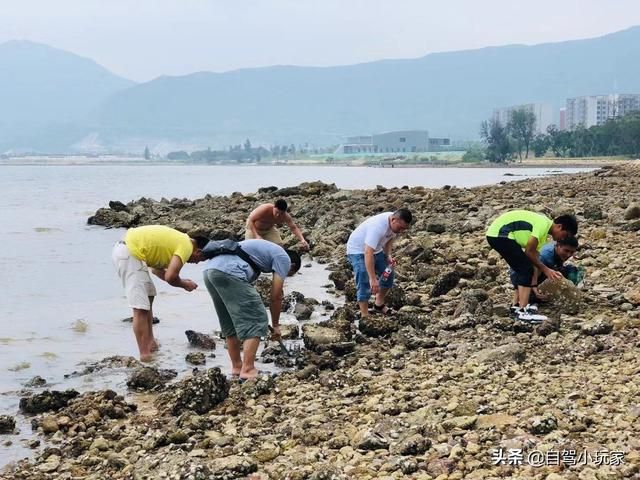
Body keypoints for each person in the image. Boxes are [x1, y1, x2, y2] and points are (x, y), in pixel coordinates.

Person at [202, 239, 301, 380]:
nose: (284, 275)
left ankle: (237, 367)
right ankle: (248, 369)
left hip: (210, 271)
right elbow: (276, 296)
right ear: (292, 265)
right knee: (257, 318)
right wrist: (276, 325)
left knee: (230, 321)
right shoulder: (284, 258)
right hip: (229, 271)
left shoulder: (267, 250)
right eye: (288, 274)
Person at [112, 225, 208, 362]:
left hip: (132, 252)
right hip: (129, 252)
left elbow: (157, 271)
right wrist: (183, 284)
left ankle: (151, 343)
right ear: (198, 251)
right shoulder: (186, 246)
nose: (197, 263)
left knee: (149, 297)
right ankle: (145, 355)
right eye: (200, 260)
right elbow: (171, 277)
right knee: (140, 308)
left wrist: (181, 281)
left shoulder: (180, 242)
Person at [486, 210, 578, 322]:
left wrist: (534, 285)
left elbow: (535, 261)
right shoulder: (543, 224)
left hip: (499, 235)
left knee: (525, 268)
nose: (564, 239)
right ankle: (522, 311)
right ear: (559, 226)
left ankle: (516, 306)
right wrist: (546, 270)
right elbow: (529, 252)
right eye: (566, 235)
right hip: (500, 233)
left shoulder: (543, 237)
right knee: (525, 269)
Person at [346, 209, 413, 318]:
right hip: (357, 250)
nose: (401, 231)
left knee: (388, 274)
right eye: (400, 228)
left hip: (376, 250)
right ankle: (365, 315)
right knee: (364, 277)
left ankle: (379, 305)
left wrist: (388, 256)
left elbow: (389, 239)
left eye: (404, 229)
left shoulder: (395, 226)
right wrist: (373, 279)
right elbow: (368, 252)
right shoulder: (377, 227)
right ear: (393, 220)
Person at [509, 236, 580, 306]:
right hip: (522, 276)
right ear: (558, 245)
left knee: (571, 270)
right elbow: (533, 268)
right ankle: (530, 295)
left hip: (538, 271)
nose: (568, 255)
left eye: (572, 252)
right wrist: (535, 288)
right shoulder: (545, 255)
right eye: (566, 251)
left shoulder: (557, 251)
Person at [245, 199, 309, 250]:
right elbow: (251, 220)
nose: (278, 215)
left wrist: (302, 240)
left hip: (269, 230)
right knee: (250, 249)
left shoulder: (285, 216)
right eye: (277, 212)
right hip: (253, 228)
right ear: (274, 207)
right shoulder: (265, 209)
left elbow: (293, 228)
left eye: (281, 213)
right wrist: (256, 236)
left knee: (279, 248)